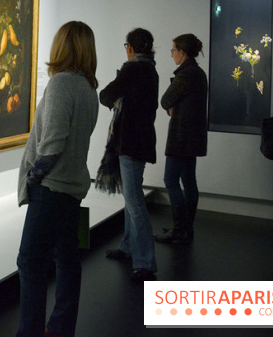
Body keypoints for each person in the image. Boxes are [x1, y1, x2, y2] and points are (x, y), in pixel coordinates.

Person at [16, 21, 99, 337]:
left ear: (62, 46)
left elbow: (51, 144)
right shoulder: (89, 89)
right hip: (73, 189)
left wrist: (33, 178)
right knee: (67, 259)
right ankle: (61, 327)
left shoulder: (61, 84)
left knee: (30, 263)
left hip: (52, 189)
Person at [100, 28, 159, 282]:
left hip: (129, 142)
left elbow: (105, 95)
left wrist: (118, 97)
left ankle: (145, 262)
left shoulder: (132, 69)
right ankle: (127, 247)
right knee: (131, 195)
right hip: (143, 140)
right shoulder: (151, 70)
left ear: (131, 48)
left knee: (134, 200)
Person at [155, 34, 208, 244]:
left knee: (171, 179)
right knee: (188, 180)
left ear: (182, 52)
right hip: (192, 136)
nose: (172, 55)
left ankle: (179, 229)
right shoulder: (198, 73)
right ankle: (186, 227)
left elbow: (165, 100)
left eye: (173, 51)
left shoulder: (186, 75)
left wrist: (172, 108)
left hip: (181, 136)